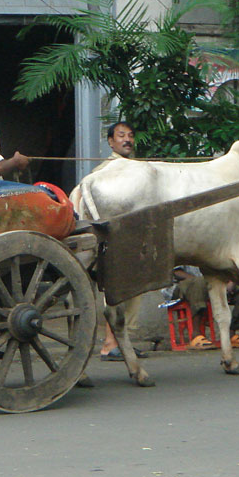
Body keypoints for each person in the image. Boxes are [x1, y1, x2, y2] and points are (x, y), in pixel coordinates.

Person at [87, 121, 149, 361]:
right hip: (113, 241)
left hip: (128, 240)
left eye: (131, 136)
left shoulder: (133, 169)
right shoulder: (103, 173)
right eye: (121, 135)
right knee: (119, 291)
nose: (127, 140)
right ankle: (111, 344)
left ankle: (117, 343)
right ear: (110, 142)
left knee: (126, 291)